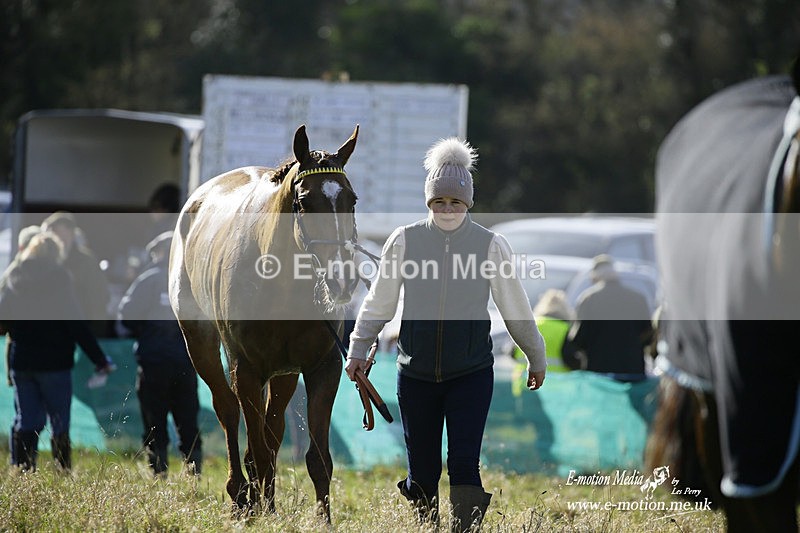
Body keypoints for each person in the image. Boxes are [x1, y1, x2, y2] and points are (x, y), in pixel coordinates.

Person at [345, 137, 546, 532]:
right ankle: (427, 526)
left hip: (471, 373)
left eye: (455, 202)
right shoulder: (404, 240)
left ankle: (464, 529)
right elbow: (379, 304)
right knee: (422, 471)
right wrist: (358, 349)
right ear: (429, 202)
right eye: (440, 201)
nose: (448, 209)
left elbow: (516, 309)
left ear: (467, 202)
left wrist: (535, 356)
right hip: (415, 374)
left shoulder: (490, 245)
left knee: (463, 464)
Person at [0, 232, 115, 471]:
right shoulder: (60, 279)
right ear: (56, 254)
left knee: (27, 419)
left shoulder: (14, 275)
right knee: (59, 421)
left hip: (22, 361)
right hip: (55, 363)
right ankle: (62, 470)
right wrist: (99, 359)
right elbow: (76, 324)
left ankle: (23, 470)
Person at [118, 231, 202, 476]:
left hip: (153, 363)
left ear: (161, 252)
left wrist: (145, 331)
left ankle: (159, 473)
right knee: (188, 420)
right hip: (186, 362)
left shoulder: (148, 280)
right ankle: (194, 473)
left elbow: (127, 316)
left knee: (154, 420)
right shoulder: (193, 280)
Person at [561, 254, 653, 381]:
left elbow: (577, 339)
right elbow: (648, 335)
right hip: (633, 374)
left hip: (599, 376)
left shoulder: (589, 299)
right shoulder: (638, 298)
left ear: (594, 277)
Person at [41, 211, 111, 336]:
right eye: (55, 237)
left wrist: (95, 331)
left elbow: (98, 297)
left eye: (63, 237)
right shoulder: (42, 261)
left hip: (79, 328)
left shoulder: (86, 261)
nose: (60, 243)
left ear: (72, 235)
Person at [511, 289, 572, 395]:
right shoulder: (566, 330)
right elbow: (572, 360)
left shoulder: (529, 326)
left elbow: (512, 353)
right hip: (556, 389)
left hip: (525, 385)